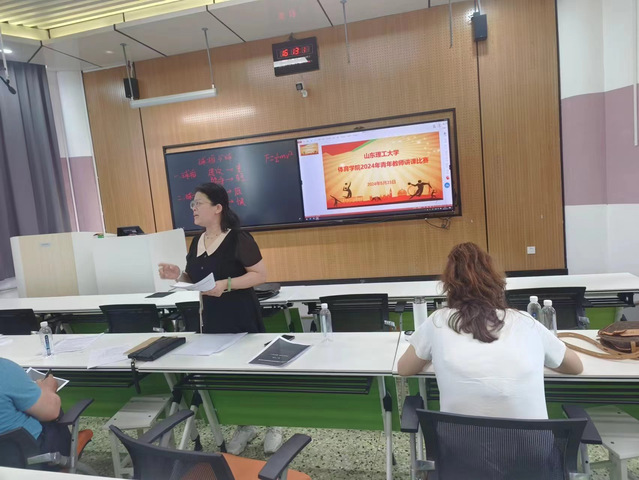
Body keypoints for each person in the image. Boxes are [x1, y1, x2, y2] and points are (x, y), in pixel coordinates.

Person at [158, 182, 280, 455]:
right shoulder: (196, 241)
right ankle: (245, 425)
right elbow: (195, 279)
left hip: (241, 316)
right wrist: (178, 275)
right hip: (212, 320)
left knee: (255, 373)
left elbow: (260, 275)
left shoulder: (238, 238)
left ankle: (274, 424)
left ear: (217, 208)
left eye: (198, 203)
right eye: (192, 204)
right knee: (230, 377)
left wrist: (227, 284)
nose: (193, 208)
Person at [398, 242, 583, 419]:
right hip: (531, 442)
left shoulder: (438, 321)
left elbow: (404, 369)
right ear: (495, 280)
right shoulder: (525, 321)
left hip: (458, 442)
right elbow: (575, 367)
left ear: (449, 284)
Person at [0, 358, 71, 459]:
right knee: (52, 406)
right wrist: (48, 389)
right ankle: (68, 449)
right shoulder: (5, 370)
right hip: (32, 455)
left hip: (6, 459)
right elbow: (51, 411)